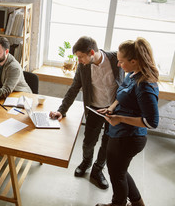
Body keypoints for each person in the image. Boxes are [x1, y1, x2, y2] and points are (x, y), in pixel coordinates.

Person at [49, 36, 124, 189]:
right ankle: (86, 162)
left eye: (81, 57)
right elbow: (74, 88)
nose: (79, 61)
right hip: (95, 109)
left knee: (107, 144)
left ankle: (97, 170)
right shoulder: (83, 66)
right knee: (88, 142)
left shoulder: (116, 59)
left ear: (91, 52)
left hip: (115, 110)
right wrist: (61, 111)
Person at [96, 38, 159, 206]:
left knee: (117, 173)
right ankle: (138, 204)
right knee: (120, 171)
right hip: (119, 133)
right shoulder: (132, 74)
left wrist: (120, 118)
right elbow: (122, 95)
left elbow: (151, 122)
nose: (118, 64)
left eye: (121, 61)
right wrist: (111, 108)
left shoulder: (145, 86)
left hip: (129, 138)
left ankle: (118, 203)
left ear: (134, 61)